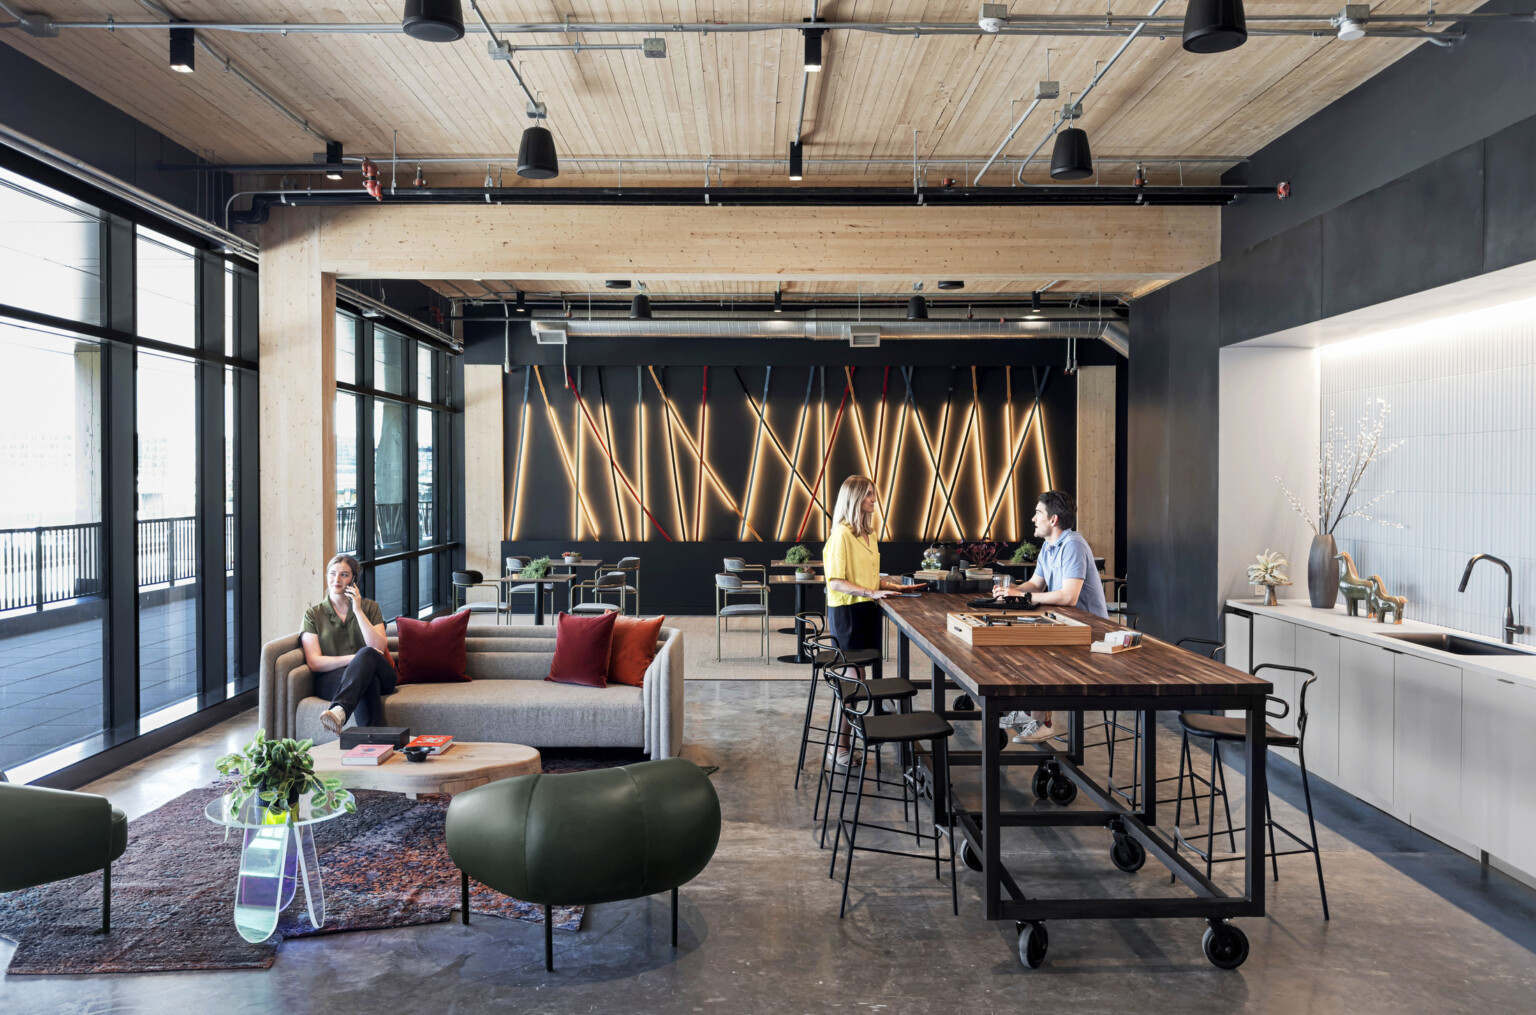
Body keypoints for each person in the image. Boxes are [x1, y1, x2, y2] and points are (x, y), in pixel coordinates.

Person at [822, 475, 926, 768]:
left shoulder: (869, 534)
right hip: (848, 612)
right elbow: (837, 582)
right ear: (854, 498)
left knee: (860, 678)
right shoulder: (841, 535)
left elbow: (866, 576)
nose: (874, 499)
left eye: (873, 494)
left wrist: (892, 586)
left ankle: (853, 740)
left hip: (867, 609)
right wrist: (872, 591)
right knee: (856, 682)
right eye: (869, 494)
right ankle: (839, 746)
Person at [992, 490, 1108, 743]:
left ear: (1053, 519)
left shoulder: (1073, 544)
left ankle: (1041, 722)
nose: (1033, 518)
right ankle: (1026, 713)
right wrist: (1011, 592)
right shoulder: (1049, 546)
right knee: (1012, 639)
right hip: (1066, 625)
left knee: (1034, 648)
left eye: (1038, 513)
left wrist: (1023, 597)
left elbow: (1069, 597)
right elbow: (1036, 584)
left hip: (1091, 631)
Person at [300, 553, 396, 735]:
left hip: (383, 675)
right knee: (368, 681)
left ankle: (340, 708)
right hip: (333, 679)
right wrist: (355, 659)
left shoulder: (370, 607)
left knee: (367, 653)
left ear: (354, 580)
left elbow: (379, 647)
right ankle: (376, 745)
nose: (336, 579)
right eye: (332, 573)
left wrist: (358, 610)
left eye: (344, 575)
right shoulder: (313, 614)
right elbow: (314, 661)